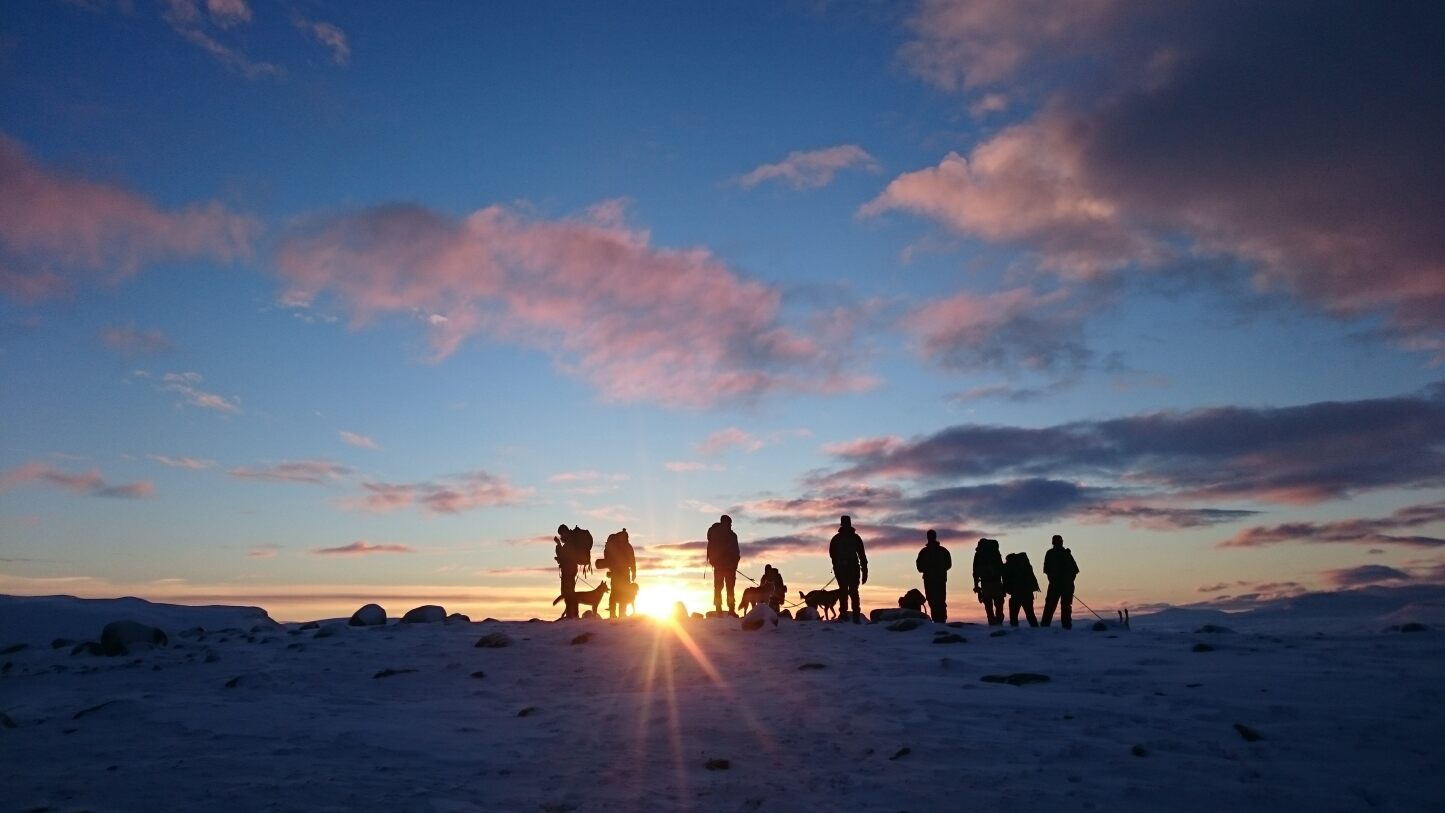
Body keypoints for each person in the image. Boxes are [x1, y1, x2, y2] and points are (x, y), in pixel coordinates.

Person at [829, 515, 868, 623]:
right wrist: (864, 571)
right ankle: (853, 615)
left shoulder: (837, 538)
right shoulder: (854, 538)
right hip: (851, 569)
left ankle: (845, 614)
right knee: (851, 592)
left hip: (845, 569)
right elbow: (862, 556)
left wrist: (837, 566)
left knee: (845, 591)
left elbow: (832, 555)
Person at [553, 524, 592, 620]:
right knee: (569, 593)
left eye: (561, 534)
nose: (561, 536)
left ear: (565, 532)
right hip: (570, 569)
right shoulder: (570, 542)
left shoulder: (570, 543)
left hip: (569, 570)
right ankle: (572, 615)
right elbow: (566, 556)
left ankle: (572, 615)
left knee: (568, 593)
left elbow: (564, 555)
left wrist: (558, 545)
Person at [1041, 534, 1080, 629]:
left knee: (1052, 605)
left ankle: (1046, 626)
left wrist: (1063, 580)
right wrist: (1068, 581)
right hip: (1063, 585)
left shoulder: (1052, 553)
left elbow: (1046, 570)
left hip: (1058, 585)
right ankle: (1066, 626)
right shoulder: (1064, 553)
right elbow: (1075, 570)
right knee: (1062, 606)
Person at [706, 514, 741, 615]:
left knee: (720, 588)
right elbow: (736, 551)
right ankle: (727, 609)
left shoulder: (718, 534)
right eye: (729, 523)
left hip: (721, 566)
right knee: (727, 588)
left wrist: (734, 563)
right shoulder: (731, 536)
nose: (730, 525)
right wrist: (734, 563)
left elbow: (736, 552)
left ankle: (721, 608)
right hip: (725, 566)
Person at [915, 529, 951, 623]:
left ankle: (940, 620)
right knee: (936, 601)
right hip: (937, 580)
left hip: (933, 580)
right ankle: (939, 620)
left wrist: (931, 569)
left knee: (936, 601)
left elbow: (919, 567)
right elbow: (948, 564)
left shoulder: (924, 552)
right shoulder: (942, 551)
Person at [602, 528, 636, 618]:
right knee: (623, 593)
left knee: (614, 593)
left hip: (615, 572)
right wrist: (634, 572)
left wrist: (611, 569)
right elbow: (632, 560)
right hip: (624, 572)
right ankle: (621, 614)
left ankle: (613, 614)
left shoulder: (614, 545)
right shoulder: (627, 546)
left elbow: (608, 557)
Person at [972, 538, 1005, 625]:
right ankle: (999, 622)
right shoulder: (995, 552)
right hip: (997, 582)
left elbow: (975, 571)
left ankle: (992, 623)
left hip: (985, 583)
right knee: (999, 605)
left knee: (988, 607)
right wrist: (1004, 585)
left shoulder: (979, 554)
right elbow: (1001, 569)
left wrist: (976, 586)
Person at [1002, 551, 1041, 627]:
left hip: (1016, 594)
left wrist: (1006, 590)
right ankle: (1036, 630)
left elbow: (1005, 580)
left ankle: (1015, 631)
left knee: (1013, 616)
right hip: (1028, 594)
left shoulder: (1009, 566)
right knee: (1030, 614)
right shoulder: (1025, 565)